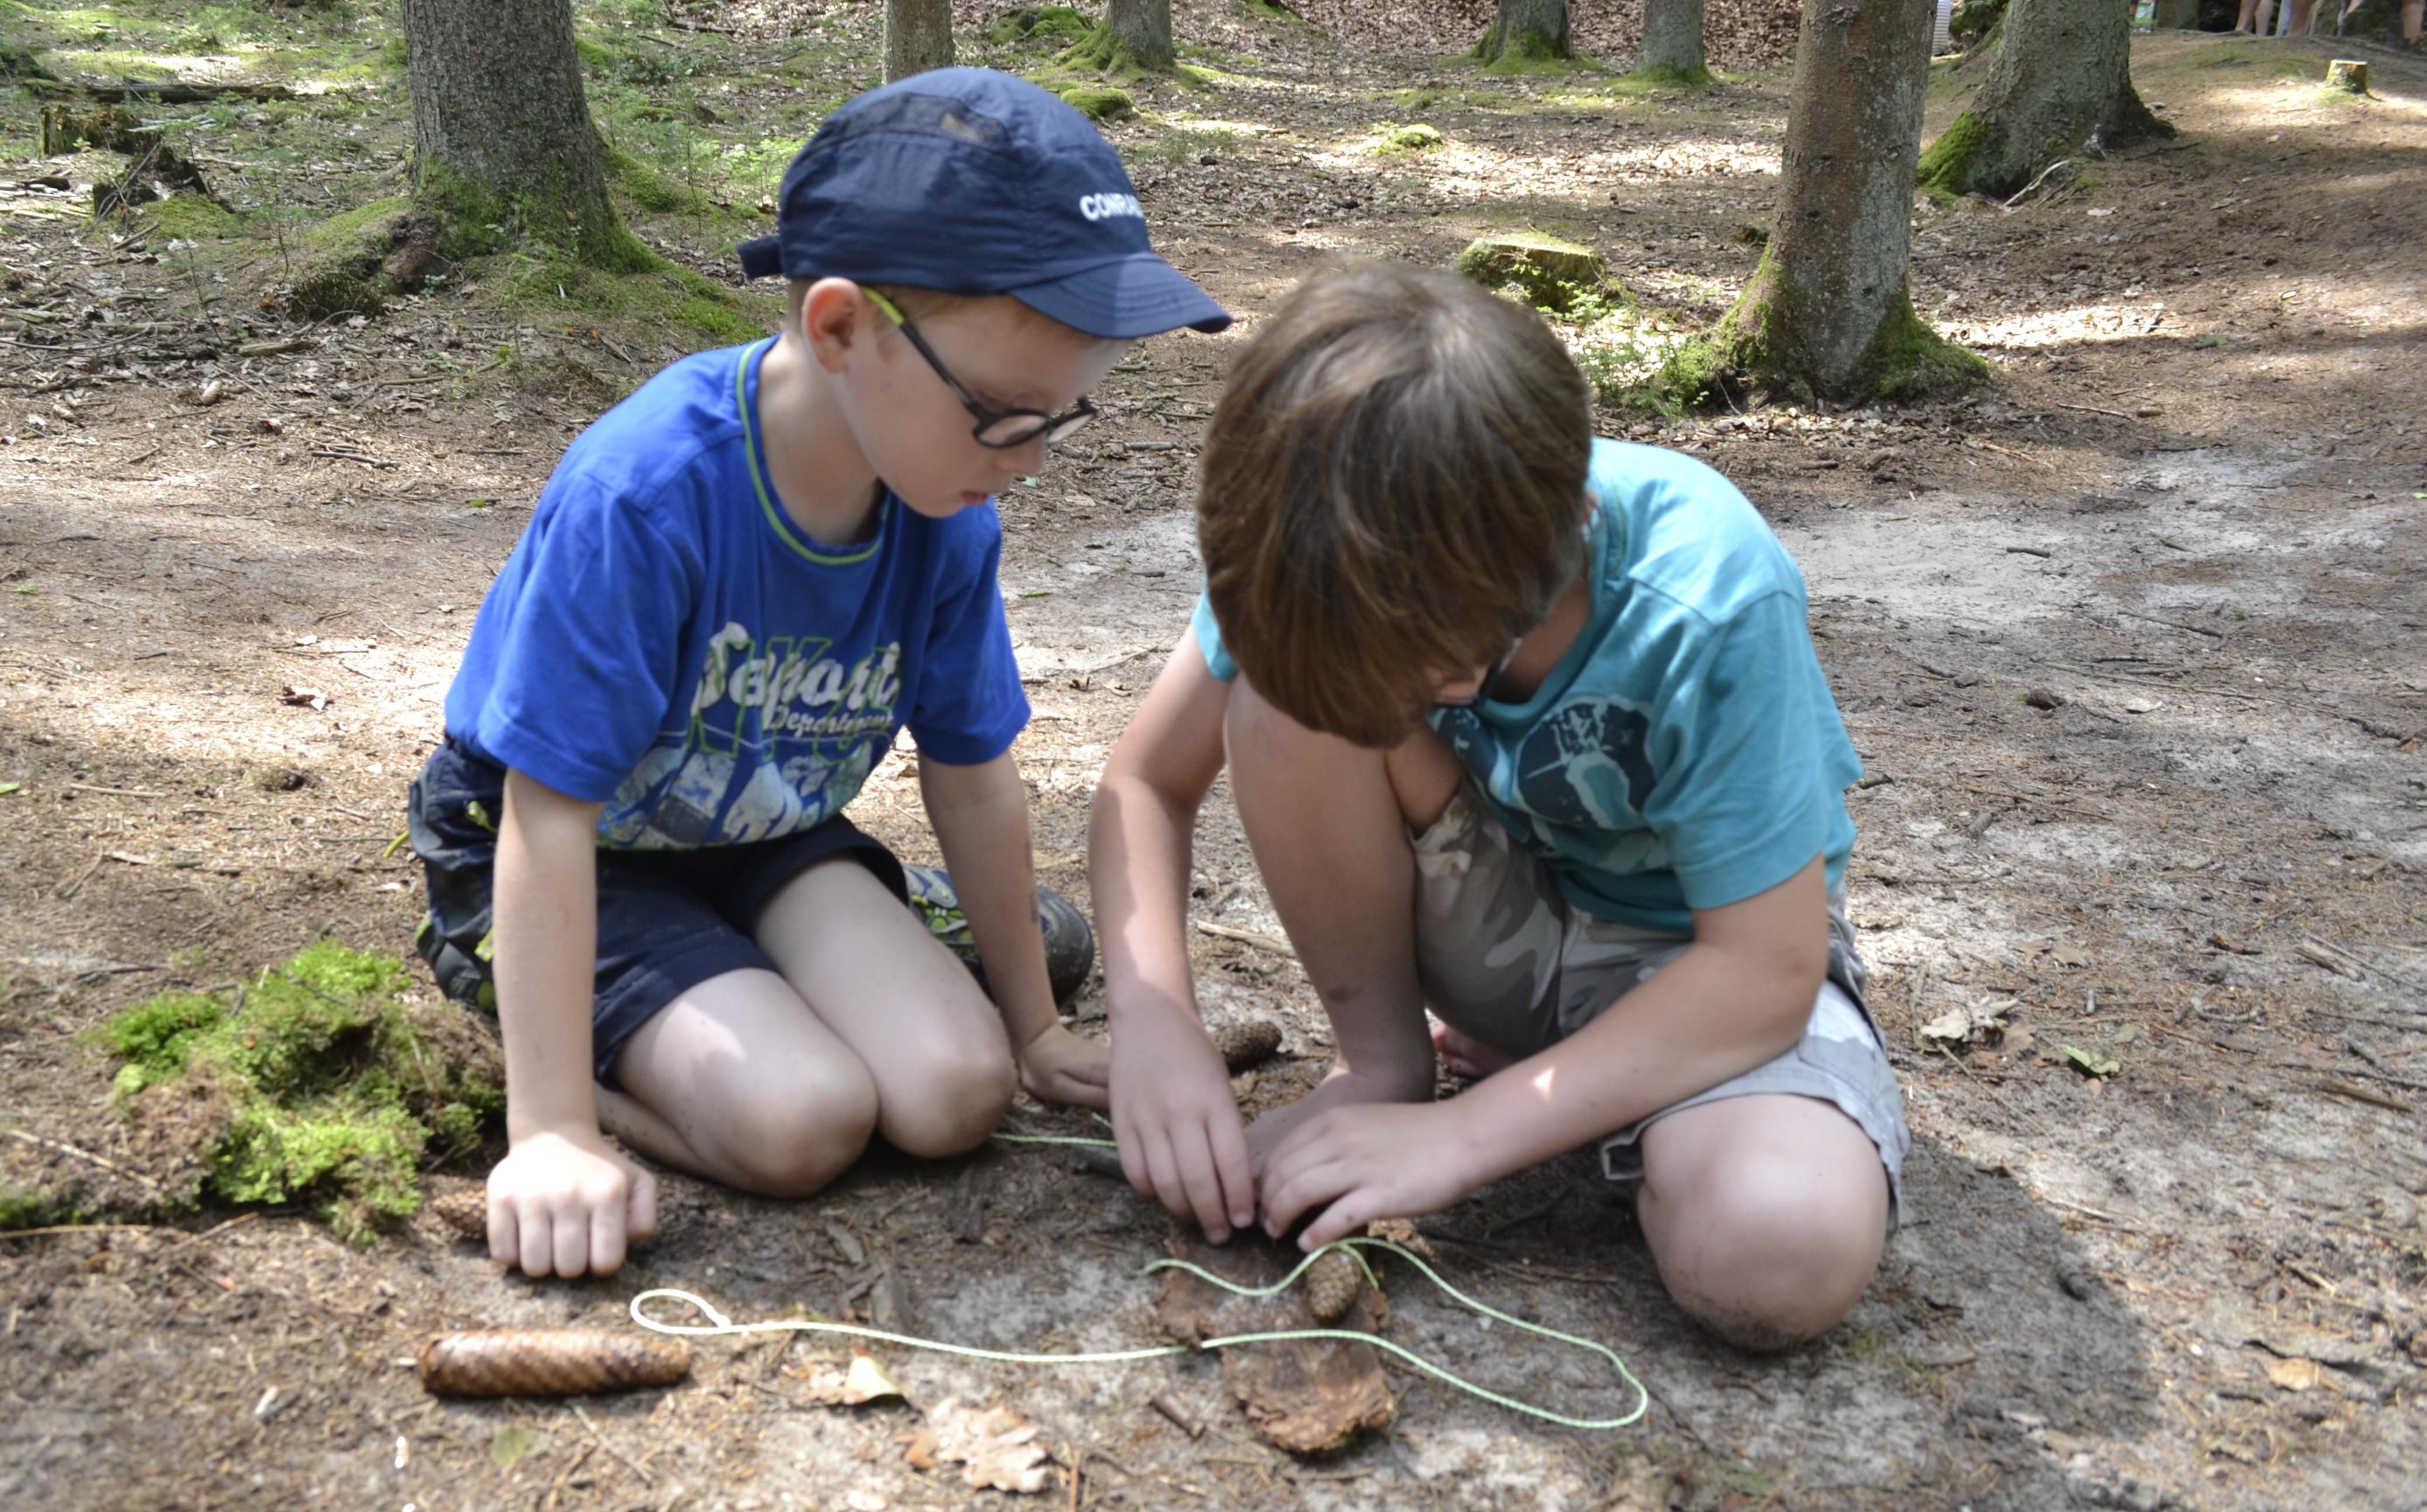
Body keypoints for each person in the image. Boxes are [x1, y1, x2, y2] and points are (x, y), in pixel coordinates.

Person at [407, 68, 1229, 1279]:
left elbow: (970, 769)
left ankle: (810, 983)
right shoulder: (649, 492)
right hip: (564, 854)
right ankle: (542, 1048)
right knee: (803, 1122)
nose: (1034, 462)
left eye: (1064, 417)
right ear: (840, 328)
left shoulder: (947, 503)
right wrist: (552, 1134)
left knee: (959, 1093)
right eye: (1007, 413)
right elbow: (548, 806)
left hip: (765, 838)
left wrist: (1039, 1030)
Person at [1089, 262, 1907, 1351]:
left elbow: (1763, 971)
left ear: (1565, 527)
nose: (1430, 696)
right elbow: (1146, 782)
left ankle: (1612, 1109)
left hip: (1701, 972)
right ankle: (1383, 1069)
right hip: (1501, 937)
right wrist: (1153, 1022)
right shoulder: (1318, 539)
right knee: (1287, 705)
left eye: (1447, 666)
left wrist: (1472, 1142)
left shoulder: (1706, 589)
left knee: (1773, 1255)